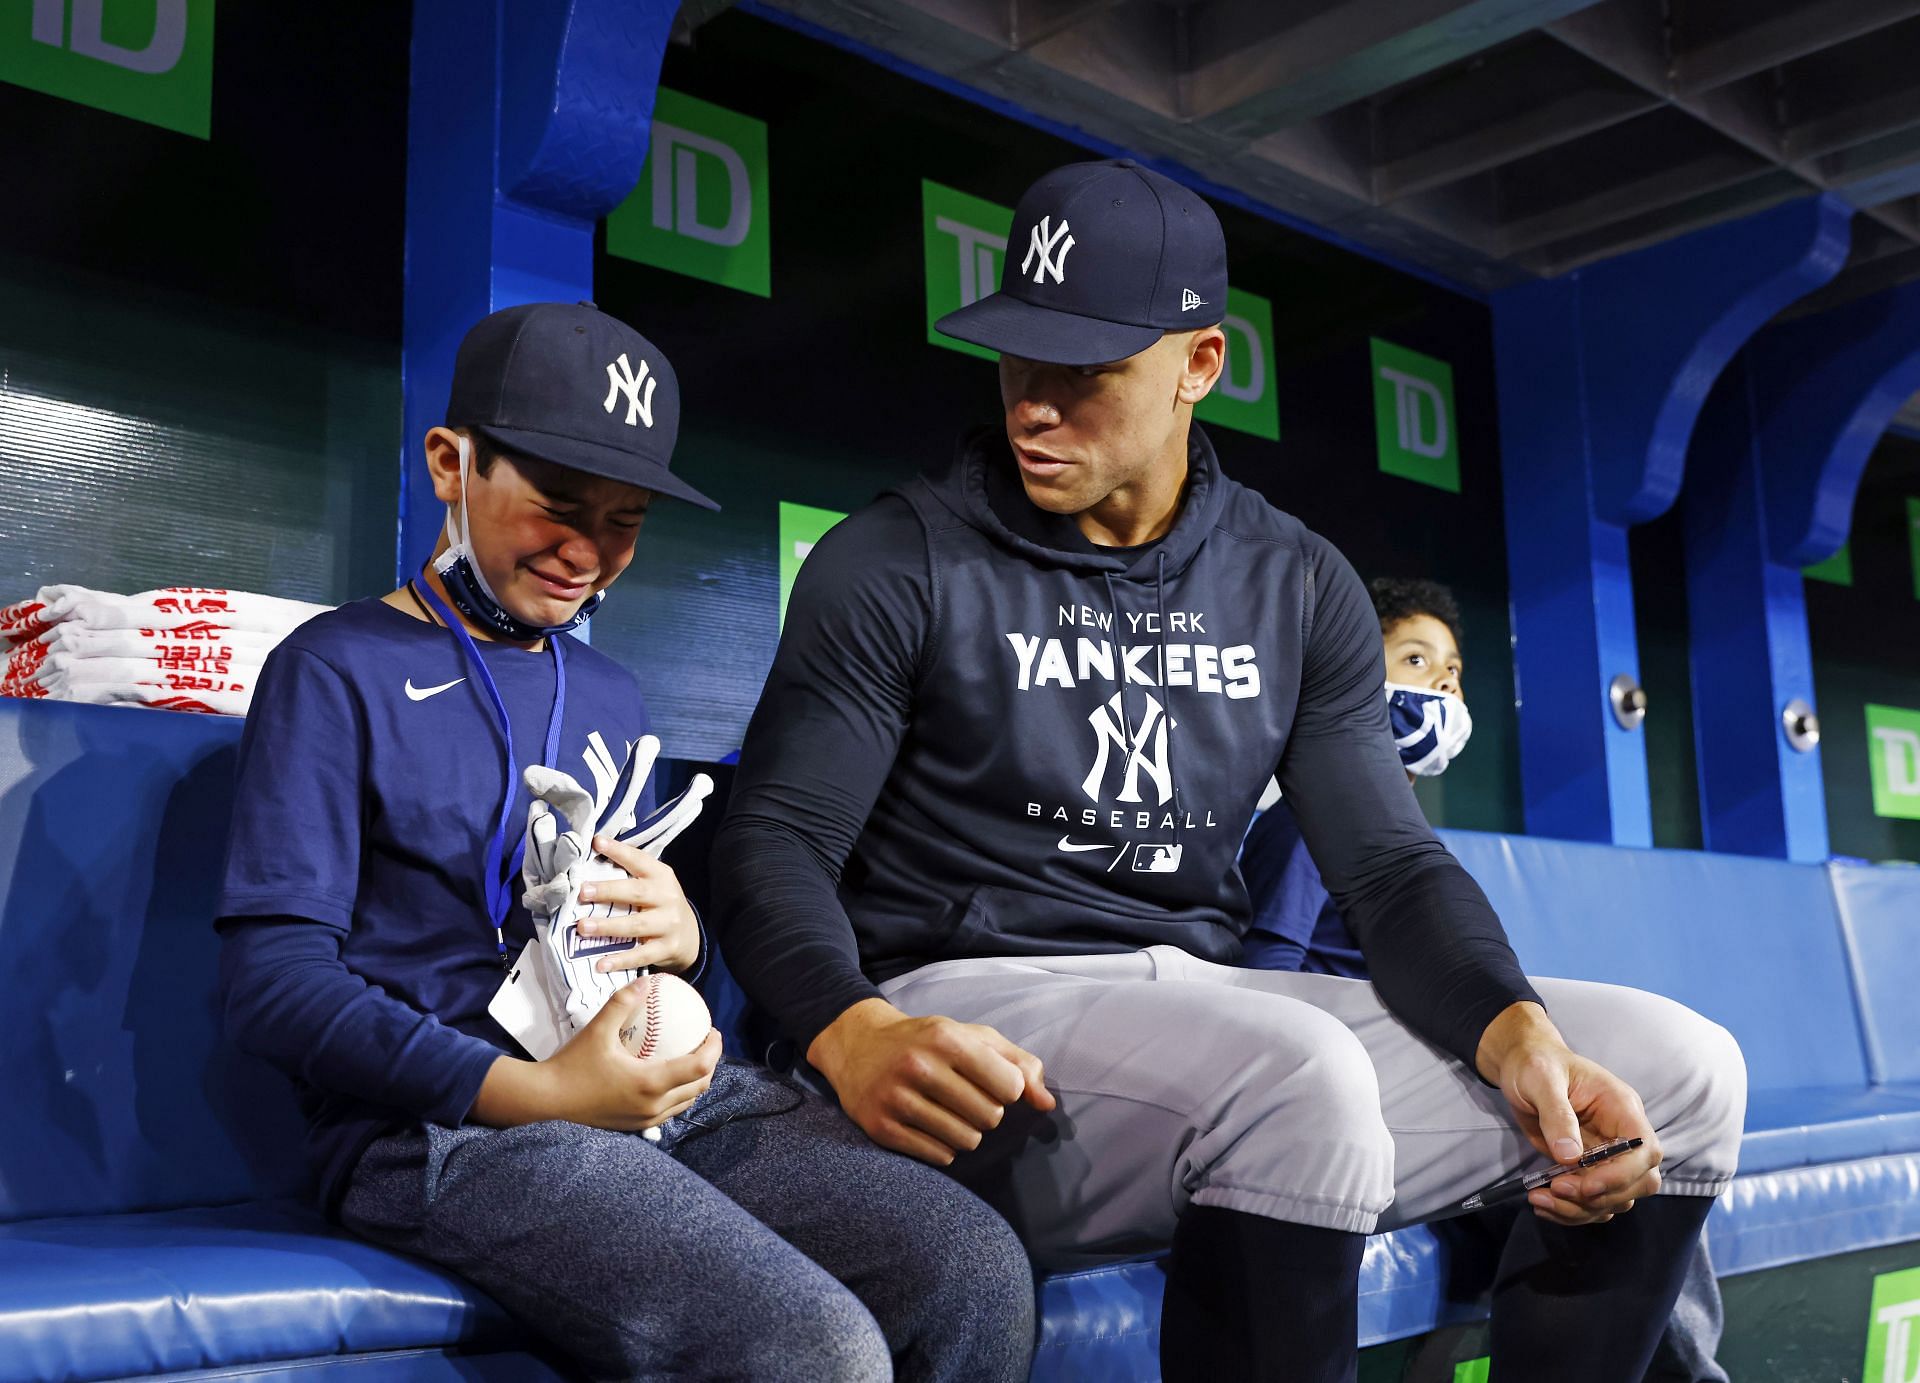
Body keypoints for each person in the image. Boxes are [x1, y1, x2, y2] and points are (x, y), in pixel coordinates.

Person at [712, 160, 1746, 1383]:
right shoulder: (896, 557)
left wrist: (1514, 1030)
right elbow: (769, 838)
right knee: (1294, 1078)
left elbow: (1391, 867)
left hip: (1202, 1014)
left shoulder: (1293, 580)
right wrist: (848, 1026)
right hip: (972, 1027)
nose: (1034, 407)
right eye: (1016, 359)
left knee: (1681, 1068)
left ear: (1197, 366)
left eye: (1084, 372)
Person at [215, 302, 1034, 1383]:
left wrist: (683, 937)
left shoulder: (605, 687)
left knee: (972, 1269)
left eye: (625, 519)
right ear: (451, 463)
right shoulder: (335, 667)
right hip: (443, 1127)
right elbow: (273, 986)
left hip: (650, 1096)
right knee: (810, 1349)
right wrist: (540, 1096)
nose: (587, 551)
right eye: (557, 504)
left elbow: (610, 946)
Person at [1242, 576, 1731, 1383]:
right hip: (1348, 1097)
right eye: (1414, 657)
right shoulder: (1306, 815)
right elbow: (1260, 981)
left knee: (1630, 1147)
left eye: (1454, 669)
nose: (1441, 681)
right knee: (1595, 1155)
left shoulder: (1401, 832)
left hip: (1421, 1081)